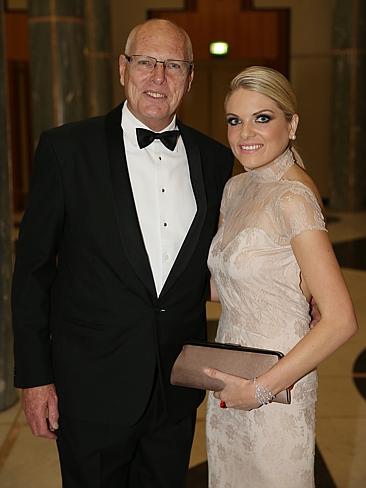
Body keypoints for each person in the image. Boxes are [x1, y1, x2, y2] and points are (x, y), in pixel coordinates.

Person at [11, 19, 233, 487]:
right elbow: (31, 272)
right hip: (90, 387)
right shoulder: (66, 149)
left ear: (189, 78)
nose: (158, 77)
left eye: (173, 65)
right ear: (122, 68)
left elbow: (218, 263)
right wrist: (34, 378)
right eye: (146, 62)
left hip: (174, 389)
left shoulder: (214, 159)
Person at [204, 66, 357, 487]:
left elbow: (341, 319)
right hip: (230, 373)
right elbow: (224, 288)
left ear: (292, 125)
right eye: (235, 120)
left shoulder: (294, 198)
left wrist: (260, 390)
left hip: (277, 384)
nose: (244, 133)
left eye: (262, 117)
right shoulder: (236, 189)